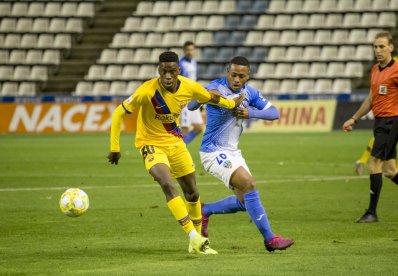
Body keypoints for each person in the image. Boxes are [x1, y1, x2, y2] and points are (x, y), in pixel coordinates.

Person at [107, 51, 244, 254]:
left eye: (172, 71)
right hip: (151, 144)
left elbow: (211, 98)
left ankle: (197, 245)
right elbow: (119, 112)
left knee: (192, 193)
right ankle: (194, 236)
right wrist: (115, 148)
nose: (168, 76)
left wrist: (232, 103)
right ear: (159, 71)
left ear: (178, 71)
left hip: (176, 144)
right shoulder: (146, 91)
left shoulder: (189, 86)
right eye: (164, 72)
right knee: (167, 184)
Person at [187, 56, 295, 252]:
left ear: (247, 77)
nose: (236, 79)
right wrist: (205, 96)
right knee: (250, 184)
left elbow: (274, 113)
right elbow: (191, 105)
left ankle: (205, 210)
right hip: (213, 151)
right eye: (233, 75)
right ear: (227, 72)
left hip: (233, 152)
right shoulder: (216, 87)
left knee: (246, 201)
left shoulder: (249, 93)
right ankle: (270, 239)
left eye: (241, 76)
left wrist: (251, 113)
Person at [343, 31, 398, 223]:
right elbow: (371, 99)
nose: (378, 50)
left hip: (392, 121)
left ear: (391, 47)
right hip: (380, 121)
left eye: (382, 46)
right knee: (390, 170)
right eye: (375, 47)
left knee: (374, 164)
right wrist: (354, 118)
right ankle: (371, 213)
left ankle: (372, 213)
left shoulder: (397, 68)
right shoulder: (375, 70)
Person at [179, 41, 204, 144]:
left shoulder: (194, 62)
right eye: (188, 50)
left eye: (192, 50)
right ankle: (179, 154)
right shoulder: (180, 64)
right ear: (184, 51)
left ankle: (181, 147)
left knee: (198, 127)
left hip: (193, 99)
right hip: (184, 99)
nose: (190, 52)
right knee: (185, 128)